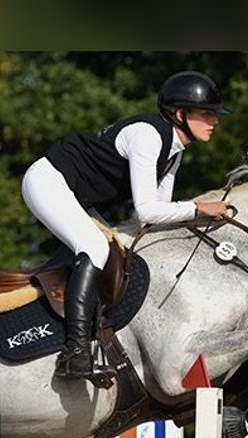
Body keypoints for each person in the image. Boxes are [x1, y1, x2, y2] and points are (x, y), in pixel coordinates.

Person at [22, 70, 231, 382]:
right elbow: (146, 210)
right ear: (179, 114)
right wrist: (199, 208)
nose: (214, 121)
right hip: (49, 180)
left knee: (117, 249)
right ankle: (75, 351)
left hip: (76, 195)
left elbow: (157, 217)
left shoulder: (173, 154)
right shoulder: (148, 135)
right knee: (93, 247)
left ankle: (99, 337)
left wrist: (199, 218)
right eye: (206, 114)